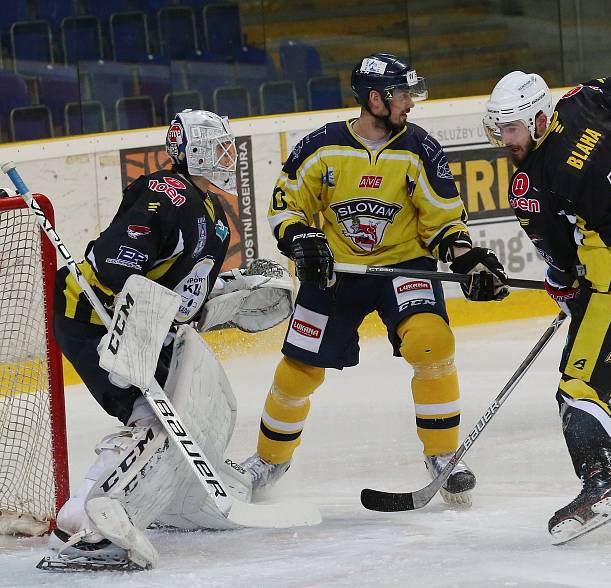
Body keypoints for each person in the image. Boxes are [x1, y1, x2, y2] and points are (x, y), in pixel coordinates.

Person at [242, 53, 509, 507]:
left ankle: (444, 457)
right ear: (374, 99)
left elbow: (443, 221)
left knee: (431, 342)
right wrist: (302, 239)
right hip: (336, 271)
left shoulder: (420, 148)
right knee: (298, 372)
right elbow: (285, 206)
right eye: (402, 94)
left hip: (403, 268)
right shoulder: (321, 147)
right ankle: (269, 460)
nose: (410, 103)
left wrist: (467, 261)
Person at [44, 109, 293, 571]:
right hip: (89, 315)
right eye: (217, 147)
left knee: (167, 414)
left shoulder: (217, 219)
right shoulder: (165, 193)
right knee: (145, 411)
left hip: (142, 325)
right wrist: (130, 304)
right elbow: (115, 267)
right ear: (193, 150)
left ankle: (145, 499)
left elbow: (184, 300)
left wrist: (232, 289)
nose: (226, 156)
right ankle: (82, 512)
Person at [483, 71, 611, 543]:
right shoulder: (587, 99)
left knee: (579, 382)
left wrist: (563, 284)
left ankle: (598, 486)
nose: (504, 139)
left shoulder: (531, 182)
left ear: (538, 119)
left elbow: (561, 263)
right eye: (498, 129)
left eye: (512, 128)